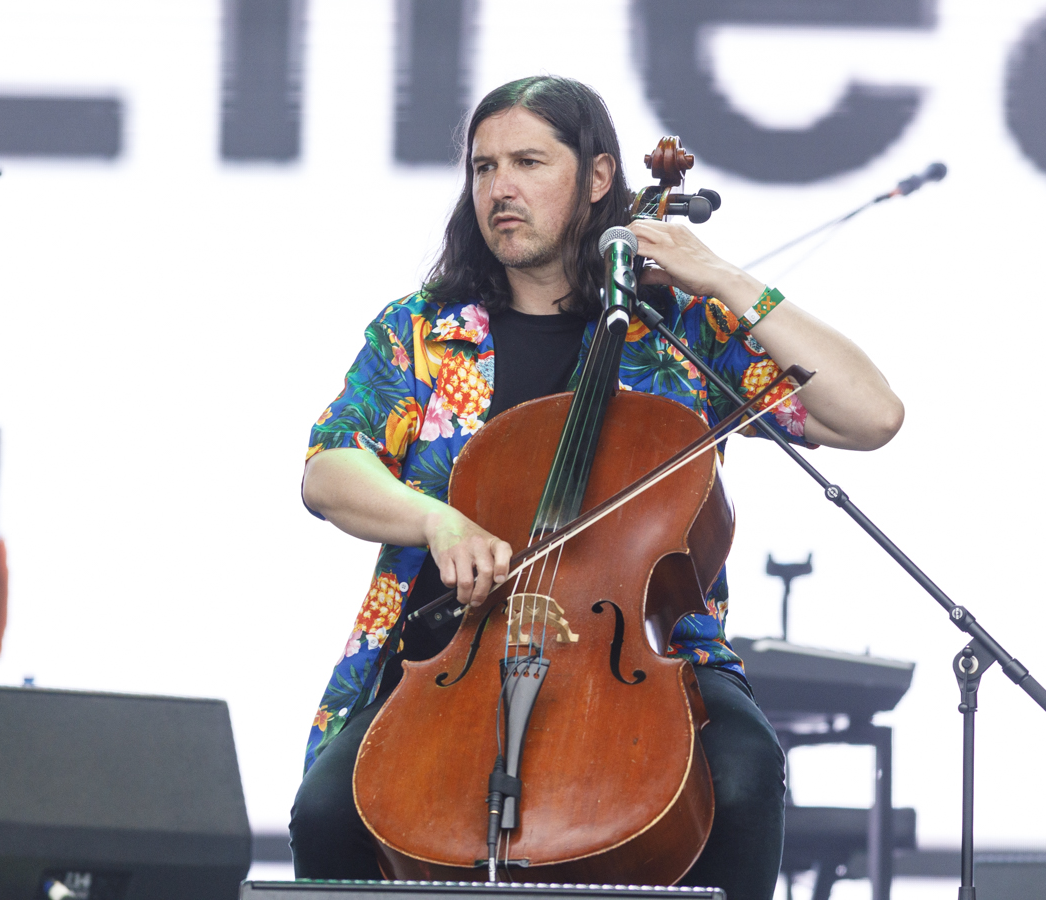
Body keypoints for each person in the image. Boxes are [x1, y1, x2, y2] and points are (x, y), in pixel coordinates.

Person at [290, 75, 903, 900]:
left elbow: (869, 414)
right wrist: (435, 520)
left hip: (649, 657)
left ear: (599, 177)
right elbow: (331, 467)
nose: (499, 187)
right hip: (449, 654)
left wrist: (719, 277)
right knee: (327, 810)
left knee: (748, 776)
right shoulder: (424, 329)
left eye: (528, 162)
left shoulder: (682, 329)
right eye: (483, 167)